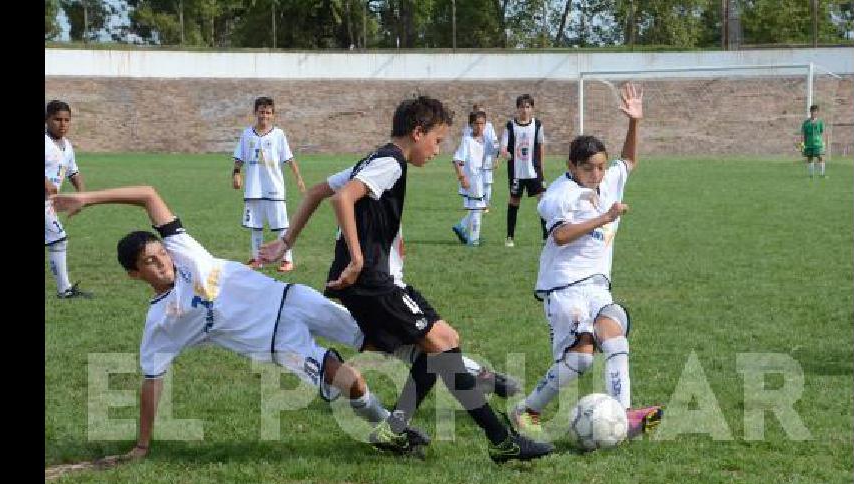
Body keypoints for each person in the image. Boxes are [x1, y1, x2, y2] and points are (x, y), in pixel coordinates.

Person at [259, 96, 553, 463]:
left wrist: (286, 241)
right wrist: (357, 256)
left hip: (369, 281)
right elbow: (342, 200)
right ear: (418, 133)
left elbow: (320, 191)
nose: (437, 150)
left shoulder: (375, 158)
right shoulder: (392, 163)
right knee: (443, 343)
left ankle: (395, 429)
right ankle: (501, 442)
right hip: (370, 281)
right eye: (437, 140)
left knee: (439, 348)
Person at [50, 185, 428, 463]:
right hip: (278, 345)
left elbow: (149, 194)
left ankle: (464, 371)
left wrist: (87, 198)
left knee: (383, 337)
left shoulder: (184, 252)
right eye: (150, 261)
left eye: (160, 252)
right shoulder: (161, 324)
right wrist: (142, 445)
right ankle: (389, 432)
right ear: (134, 275)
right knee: (352, 380)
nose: (163, 261)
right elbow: (151, 383)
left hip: (291, 299)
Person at [511, 83, 664, 440]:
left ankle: (624, 416)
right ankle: (527, 409)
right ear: (571, 166)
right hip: (564, 286)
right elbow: (560, 236)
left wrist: (634, 123)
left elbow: (628, 161)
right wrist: (605, 218)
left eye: (599, 166)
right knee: (581, 358)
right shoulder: (558, 196)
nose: (597, 174)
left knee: (615, 340)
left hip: (597, 285)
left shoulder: (608, 181)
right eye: (589, 168)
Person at [232, 96, 307, 271]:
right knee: (255, 226)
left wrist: (299, 178)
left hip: (274, 188)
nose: (264, 115)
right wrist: (236, 173)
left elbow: (289, 158)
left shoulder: (279, 134)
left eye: (268, 112)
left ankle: (287, 260)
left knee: (282, 226)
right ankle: (257, 259)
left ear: (273, 114)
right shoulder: (246, 134)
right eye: (261, 112)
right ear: (255, 112)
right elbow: (239, 157)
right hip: (253, 188)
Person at [45, 99, 91, 299]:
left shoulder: (67, 146)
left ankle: (65, 290)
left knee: (57, 239)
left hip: (49, 203)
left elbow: (73, 172)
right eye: (57, 119)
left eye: (66, 120)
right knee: (58, 238)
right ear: (47, 120)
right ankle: (64, 291)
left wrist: (82, 195)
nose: (62, 124)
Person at [497, 94, 548, 247]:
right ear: (517, 108)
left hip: (534, 172)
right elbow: (503, 146)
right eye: (522, 107)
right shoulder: (510, 126)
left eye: (527, 107)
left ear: (532, 109)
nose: (525, 110)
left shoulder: (537, 125)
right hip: (517, 172)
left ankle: (546, 236)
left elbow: (541, 146)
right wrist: (505, 153)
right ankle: (509, 237)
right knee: (514, 201)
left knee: (543, 201)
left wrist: (542, 169)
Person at [451, 110, 500, 246]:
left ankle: (466, 232)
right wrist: (462, 178)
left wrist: (500, 157)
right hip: (472, 180)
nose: (479, 127)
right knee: (477, 210)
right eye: (476, 124)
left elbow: (496, 152)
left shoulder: (487, 141)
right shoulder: (467, 141)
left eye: (482, 124)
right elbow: (457, 161)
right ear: (471, 125)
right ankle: (473, 240)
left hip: (483, 179)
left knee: (478, 208)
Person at [460, 104, 499, 211]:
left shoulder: (489, 126)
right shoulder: (468, 127)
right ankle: (468, 204)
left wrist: (496, 158)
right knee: (471, 181)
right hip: (472, 160)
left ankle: (486, 204)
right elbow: (465, 142)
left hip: (486, 160)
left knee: (487, 182)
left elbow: (495, 144)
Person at [799, 104, 827, 178]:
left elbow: (822, 133)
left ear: (817, 112)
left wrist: (824, 143)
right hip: (808, 144)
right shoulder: (806, 123)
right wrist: (802, 145)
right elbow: (802, 134)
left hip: (818, 144)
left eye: (815, 111)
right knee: (810, 158)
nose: (813, 113)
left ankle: (822, 175)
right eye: (812, 111)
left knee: (820, 157)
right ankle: (811, 175)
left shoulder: (820, 122)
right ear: (810, 112)